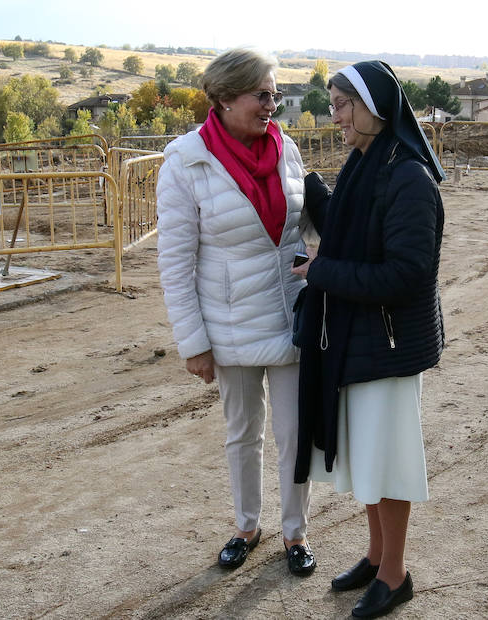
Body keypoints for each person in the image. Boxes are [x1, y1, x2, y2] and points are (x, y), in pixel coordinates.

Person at [290, 60, 445, 618]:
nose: (335, 118)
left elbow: (404, 274)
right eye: (332, 106)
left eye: (341, 106)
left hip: (390, 344)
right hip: (361, 339)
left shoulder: (407, 176)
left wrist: (321, 272)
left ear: (374, 106)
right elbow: (349, 234)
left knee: (389, 462)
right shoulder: (365, 163)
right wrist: (303, 181)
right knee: (370, 459)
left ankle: (396, 573)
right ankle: (378, 557)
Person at [156, 48, 316, 576]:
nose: (273, 104)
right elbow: (176, 262)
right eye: (262, 95)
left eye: (275, 93)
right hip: (227, 324)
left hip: (291, 317)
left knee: (295, 432)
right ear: (224, 98)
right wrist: (193, 342)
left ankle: (295, 533)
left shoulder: (287, 147)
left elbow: (304, 225)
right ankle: (247, 526)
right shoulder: (186, 161)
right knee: (242, 432)